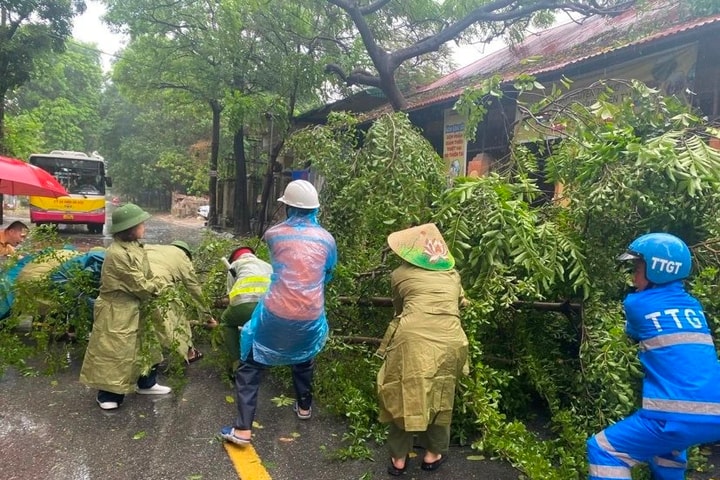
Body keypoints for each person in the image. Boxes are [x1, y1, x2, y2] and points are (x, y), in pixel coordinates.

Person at [587, 233, 720, 480]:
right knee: (666, 453)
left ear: (659, 269)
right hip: (715, 414)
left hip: (672, 415)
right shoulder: (694, 306)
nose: (633, 277)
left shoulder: (636, 304)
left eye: (637, 268)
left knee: (603, 449)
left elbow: (633, 333)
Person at [220, 179, 337, 445]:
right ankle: (304, 407)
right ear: (315, 209)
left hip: (275, 312)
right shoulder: (328, 239)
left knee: (250, 365)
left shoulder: (273, 235)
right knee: (304, 355)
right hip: (310, 314)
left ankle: (242, 430)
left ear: (287, 207)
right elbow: (327, 273)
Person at [376, 223, 469, 476]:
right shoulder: (453, 274)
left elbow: (399, 308)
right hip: (450, 339)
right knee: (441, 393)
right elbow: (461, 303)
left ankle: (399, 459)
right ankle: (433, 454)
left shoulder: (399, 275)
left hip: (412, 340)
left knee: (403, 391)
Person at [79, 203, 171, 410]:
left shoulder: (135, 247)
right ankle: (108, 395)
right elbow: (139, 284)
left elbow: (146, 276)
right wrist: (161, 286)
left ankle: (146, 383)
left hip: (137, 305)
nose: (144, 227)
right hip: (117, 310)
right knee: (115, 352)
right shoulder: (118, 254)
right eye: (141, 224)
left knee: (147, 345)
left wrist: (154, 284)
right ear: (130, 228)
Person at [145, 240, 217, 364]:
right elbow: (194, 288)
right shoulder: (182, 256)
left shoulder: (154, 248)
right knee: (178, 316)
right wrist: (207, 316)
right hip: (158, 284)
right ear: (187, 255)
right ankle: (189, 353)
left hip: (133, 282)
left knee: (143, 318)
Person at [220, 246, 272, 371]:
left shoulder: (234, 266)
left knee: (226, 322)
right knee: (260, 325)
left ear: (233, 259)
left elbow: (230, 296)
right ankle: (264, 358)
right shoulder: (268, 265)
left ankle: (236, 362)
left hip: (244, 305)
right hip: (267, 309)